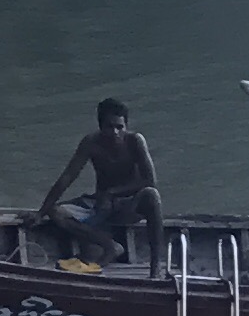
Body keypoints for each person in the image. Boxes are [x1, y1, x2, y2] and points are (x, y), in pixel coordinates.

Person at [39, 98, 161, 258]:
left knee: (152, 195)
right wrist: (41, 212)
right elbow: (67, 177)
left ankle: (155, 264)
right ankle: (110, 246)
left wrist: (112, 193)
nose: (115, 132)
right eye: (110, 127)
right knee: (55, 211)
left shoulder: (135, 141)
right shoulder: (91, 143)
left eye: (120, 127)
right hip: (100, 205)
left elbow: (150, 181)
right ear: (101, 126)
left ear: (126, 126)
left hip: (128, 205)